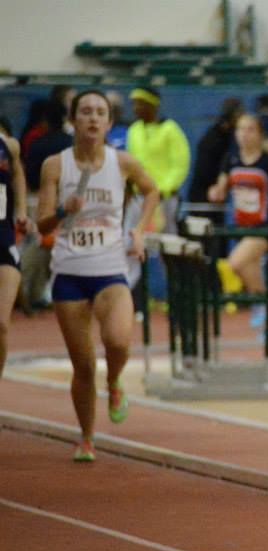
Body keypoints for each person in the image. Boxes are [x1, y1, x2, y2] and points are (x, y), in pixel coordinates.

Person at [35, 90, 159, 461]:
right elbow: (42, 224)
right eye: (85, 112)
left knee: (119, 342)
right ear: (73, 120)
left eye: (100, 113)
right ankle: (86, 437)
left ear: (108, 124)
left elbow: (152, 190)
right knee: (83, 364)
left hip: (109, 268)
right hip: (70, 271)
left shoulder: (122, 163)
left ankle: (115, 381)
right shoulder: (56, 166)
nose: (92, 118)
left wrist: (139, 230)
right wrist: (61, 210)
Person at [207, 114, 268, 329]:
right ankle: (264, 309)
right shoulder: (231, 159)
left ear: (259, 134)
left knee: (235, 263)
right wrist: (215, 192)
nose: (244, 134)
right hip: (241, 226)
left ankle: (262, 304)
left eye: (249, 129)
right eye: (240, 129)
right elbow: (221, 188)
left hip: (264, 227)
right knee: (251, 270)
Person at [125, 86, 190, 291]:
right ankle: (128, 294)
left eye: (140, 103)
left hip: (165, 201)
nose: (135, 108)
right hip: (138, 199)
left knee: (169, 249)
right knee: (129, 244)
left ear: (152, 105)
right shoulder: (134, 131)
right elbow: (130, 163)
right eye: (133, 103)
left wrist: (163, 189)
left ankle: (178, 292)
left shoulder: (171, 130)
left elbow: (180, 164)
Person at [20, 100, 72, 314]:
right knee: (52, 244)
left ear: (44, 121)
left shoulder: (37, 143)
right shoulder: (71, 143)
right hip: (67, 200)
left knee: (39, 244)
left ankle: (34, 290)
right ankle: (37, 291)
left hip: (39, 198)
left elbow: (30, 176)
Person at [1, 127, 31, 378]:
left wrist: (21, 210)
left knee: (1, 324)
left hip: (3, 243)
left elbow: (18, 173)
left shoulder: (8, 145)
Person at [188, 97, 244, 208]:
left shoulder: (227, 135)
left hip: (215, 193)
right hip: (205, 195)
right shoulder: (214, 140)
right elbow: (205, 172)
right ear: (234, 117)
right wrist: (218, 187)